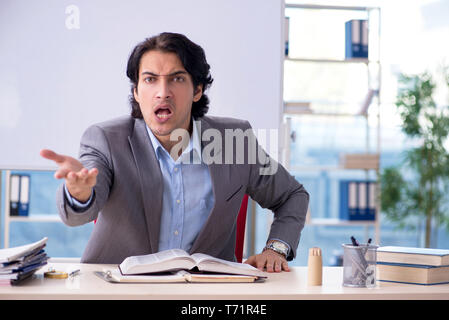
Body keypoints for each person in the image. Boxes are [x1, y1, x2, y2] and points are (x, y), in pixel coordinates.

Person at [41, 32, 309, 273]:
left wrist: (276, 249)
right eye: (150, 80)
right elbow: (76, 215)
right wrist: (79, 193)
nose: (163, 92)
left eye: (177, 79)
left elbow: (292, 195)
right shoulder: (106, 140)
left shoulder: (232, 141)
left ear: (198, 90)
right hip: (118, 289)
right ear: (136, 92)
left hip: (207, 293)